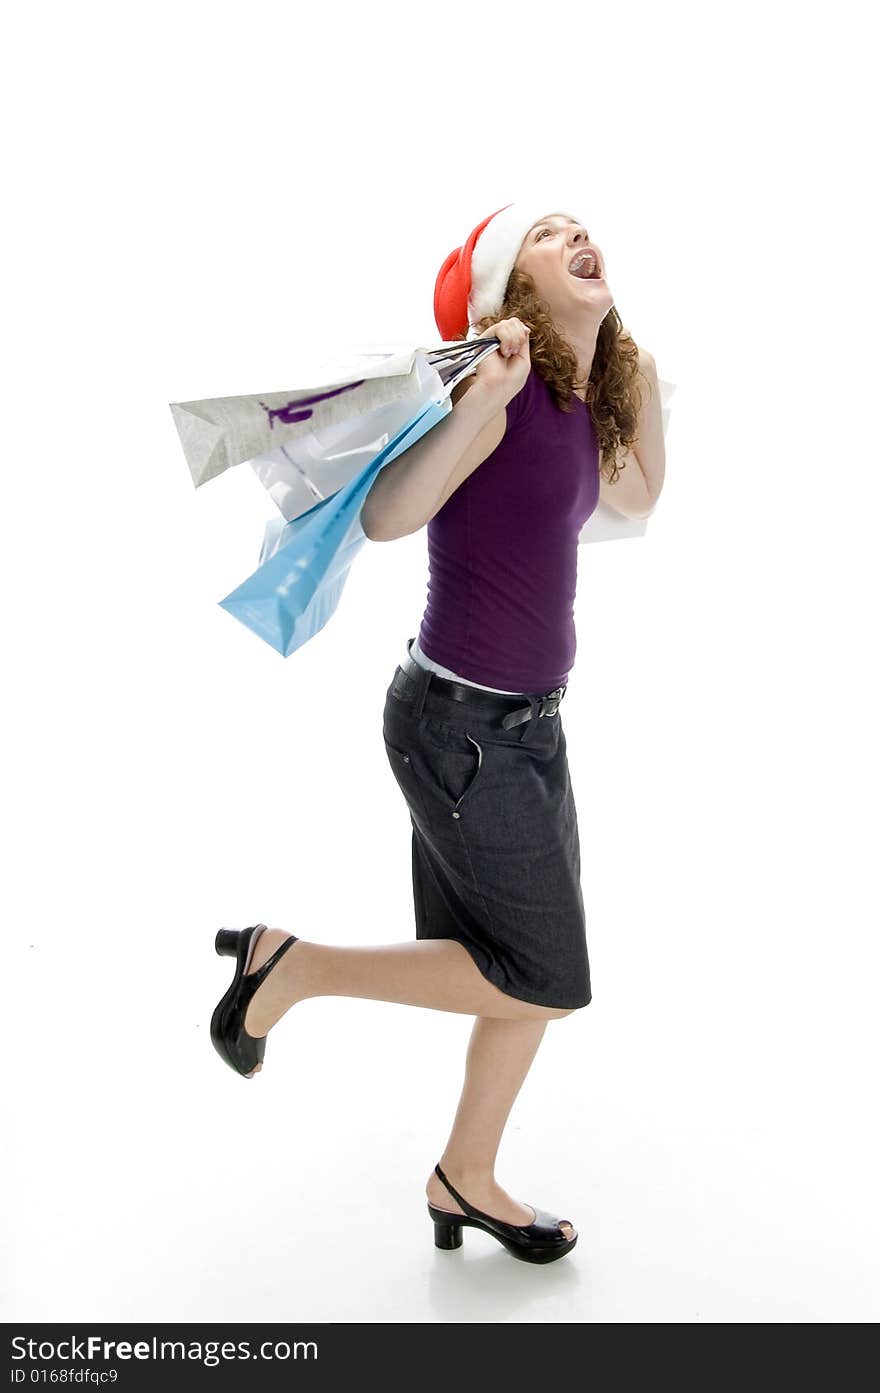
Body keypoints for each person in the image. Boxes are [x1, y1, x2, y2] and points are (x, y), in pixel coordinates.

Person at [210, 199, 664, 1266]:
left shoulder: (578, 401)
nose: (576, 233)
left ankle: (465, 1173)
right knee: (542, 974)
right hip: (460, 732)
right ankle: (296, 965)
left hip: (525, 732)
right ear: (511, 284)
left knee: (512, 968)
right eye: (548, 233)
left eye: (580, 223)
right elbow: (386, 516)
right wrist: (479, 401)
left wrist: (634, 376)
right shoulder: (496, 389)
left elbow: (640, 496)